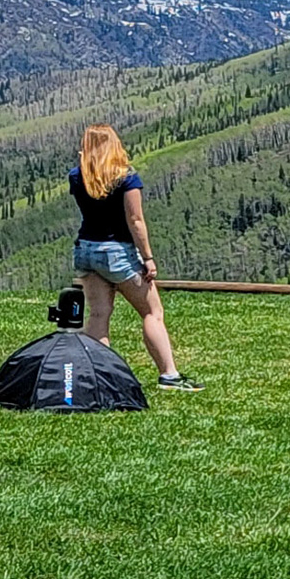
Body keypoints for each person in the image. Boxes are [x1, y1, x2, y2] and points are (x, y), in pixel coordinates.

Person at [68, 122, 193, 388]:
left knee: (99, 315)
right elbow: (135, 220)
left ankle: (97, 376)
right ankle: (169, 374)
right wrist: (147, 257)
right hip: (118, 252)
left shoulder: (77, 177)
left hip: (86, 250)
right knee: (152, 312)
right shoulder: (126, 178)